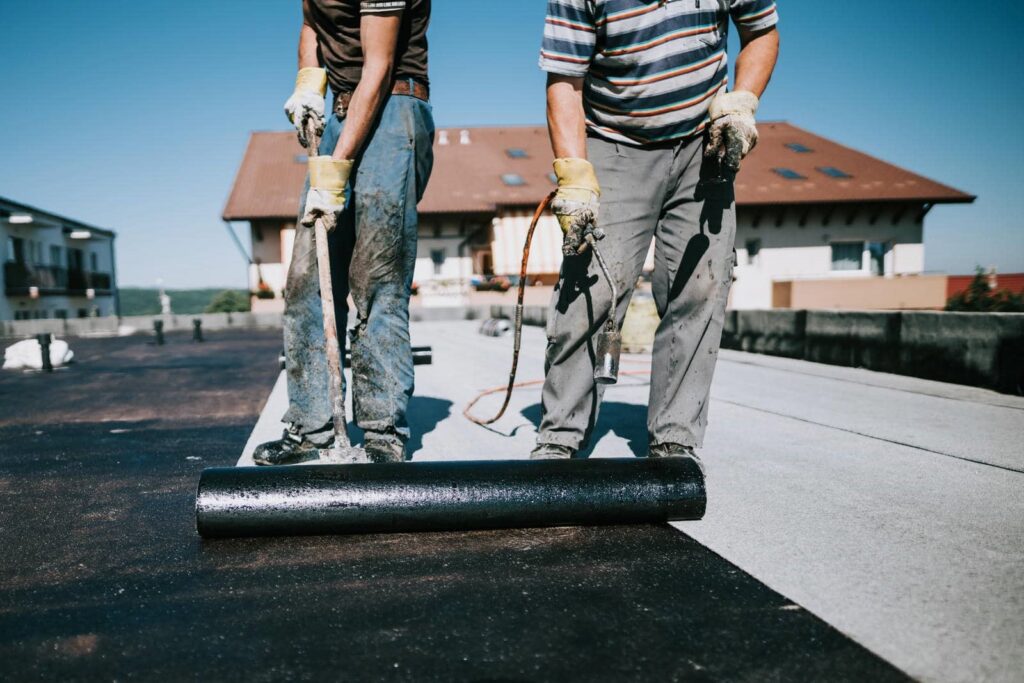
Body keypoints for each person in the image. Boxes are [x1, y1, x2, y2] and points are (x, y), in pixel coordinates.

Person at [533, 0, 780, 462]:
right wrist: (576, 178)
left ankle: (675, 436)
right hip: (615, 141)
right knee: (590, 290)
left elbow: (761, 32)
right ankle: (560, 437)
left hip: (703, 140)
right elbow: (565, 81)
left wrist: (741, 102)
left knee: (700, 288)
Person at [254, 0, 434, 465]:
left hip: (392, 105)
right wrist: (308, 82)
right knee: (306, 280)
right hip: (339, 109)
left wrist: (334, 172)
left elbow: (379, 64)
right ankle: (310, 429)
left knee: (377, 278)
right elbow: (312, 22)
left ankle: (381, 432)